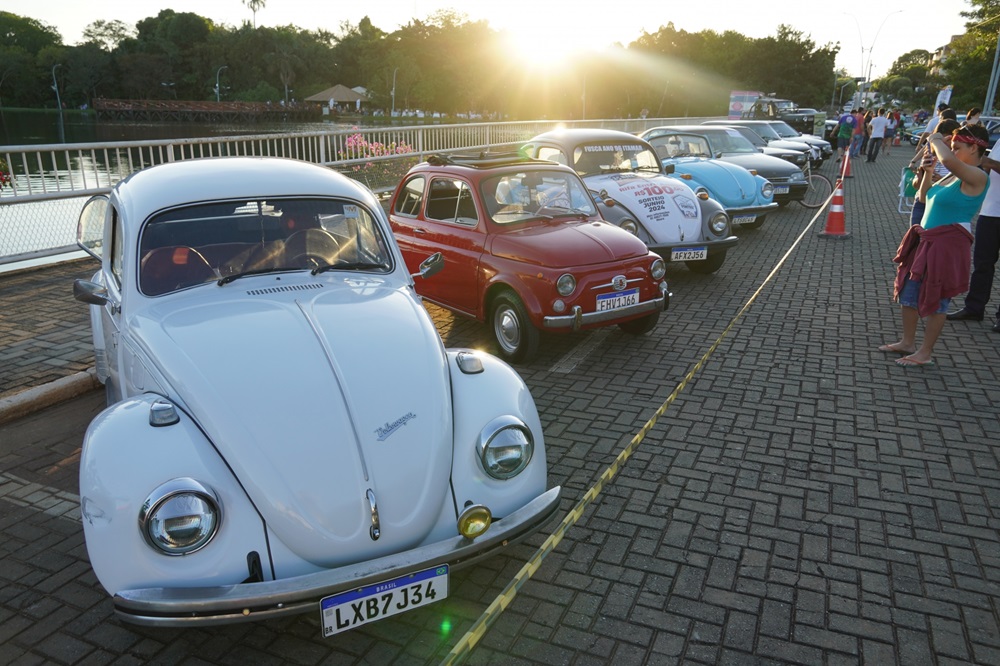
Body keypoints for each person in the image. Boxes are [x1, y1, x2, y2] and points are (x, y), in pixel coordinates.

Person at [881, 123, 992, 366]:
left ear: (974, 148)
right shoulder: (952, 175)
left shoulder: (978, 175)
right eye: (951, 147)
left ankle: (925, 352)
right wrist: (928, 173)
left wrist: (936, 139)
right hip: (926, 241)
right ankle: (907, 342)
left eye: (957, 147)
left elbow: (950, 161)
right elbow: (922, 197)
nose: (952, 152)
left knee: (938, 299)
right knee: (909, 294)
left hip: (948, 246)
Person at [946, 132, 1000, 333]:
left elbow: (991, 164)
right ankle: (974, 308)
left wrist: (988, 162)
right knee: (982, 264)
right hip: (990, 210)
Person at [907, 118, 961, 225]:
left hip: (944, 206)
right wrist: (922, 177)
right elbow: (916, 185)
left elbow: (963, 189)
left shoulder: (960, 158)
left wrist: (941, 181)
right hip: (922, 204)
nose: (942, 145)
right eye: (939, 140)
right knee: (916, 239)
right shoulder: (930, 155)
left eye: (947, 140)